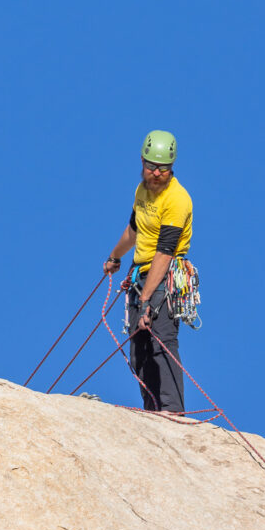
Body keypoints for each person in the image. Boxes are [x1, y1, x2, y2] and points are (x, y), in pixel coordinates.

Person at [103, 130, 193, 413]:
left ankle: (173, 411)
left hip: (164, 279)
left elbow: (165, 253)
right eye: (152, 166)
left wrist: (146, 301)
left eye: (163, 169)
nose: (156, 173)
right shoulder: (141, 191)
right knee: (138, 349)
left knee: (161, 342)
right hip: (140, 276)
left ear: (172, 167)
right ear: (142, 161)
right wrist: (115, 257)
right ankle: (152, 411)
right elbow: (134, 229)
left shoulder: (177, 199)